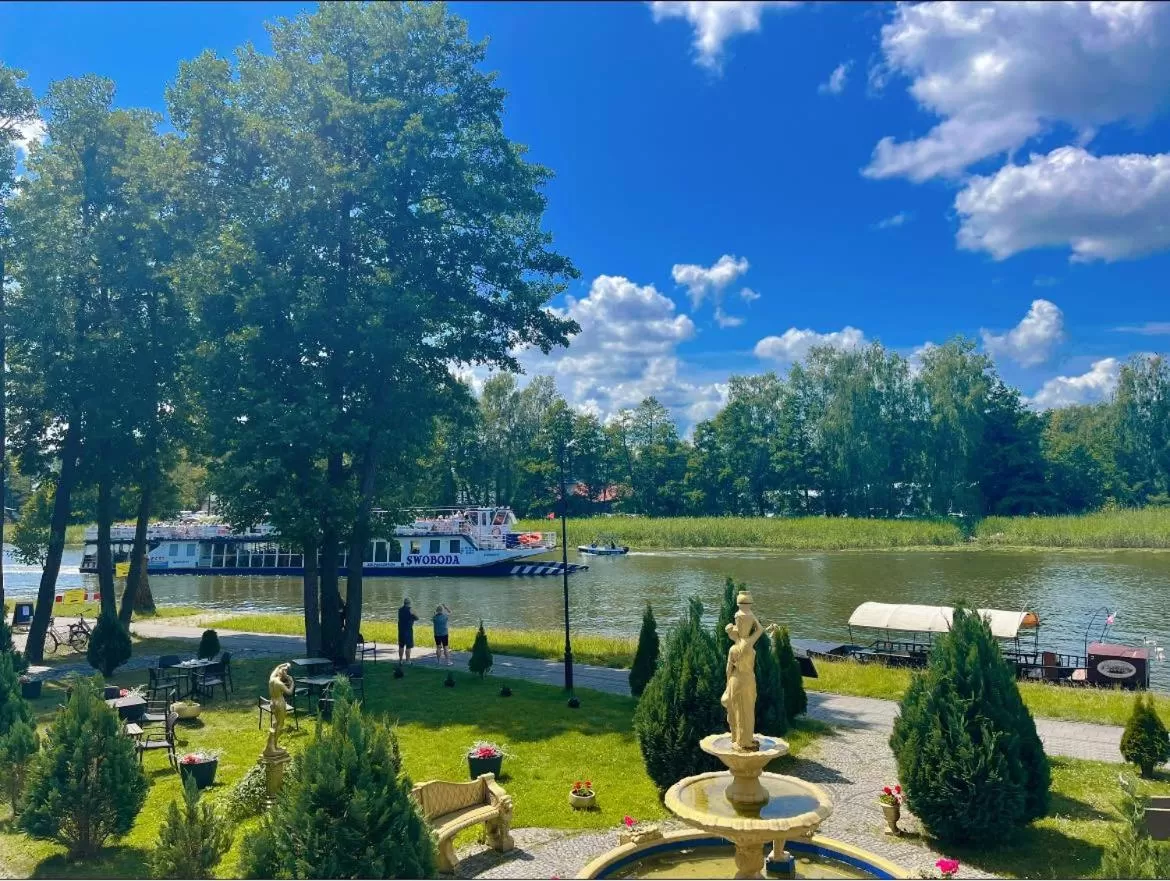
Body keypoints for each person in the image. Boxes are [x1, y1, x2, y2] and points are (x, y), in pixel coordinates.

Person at [397, 597, 419, 666]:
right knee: (408, 646)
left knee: (401, 646)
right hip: (408, 630)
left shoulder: (400, 610)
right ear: (409, 603)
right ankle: (408, 660)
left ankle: (400, 660)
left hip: (401, 630)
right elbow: (417, 618)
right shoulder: (410, 610)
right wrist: (413, 613)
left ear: (404, 603)